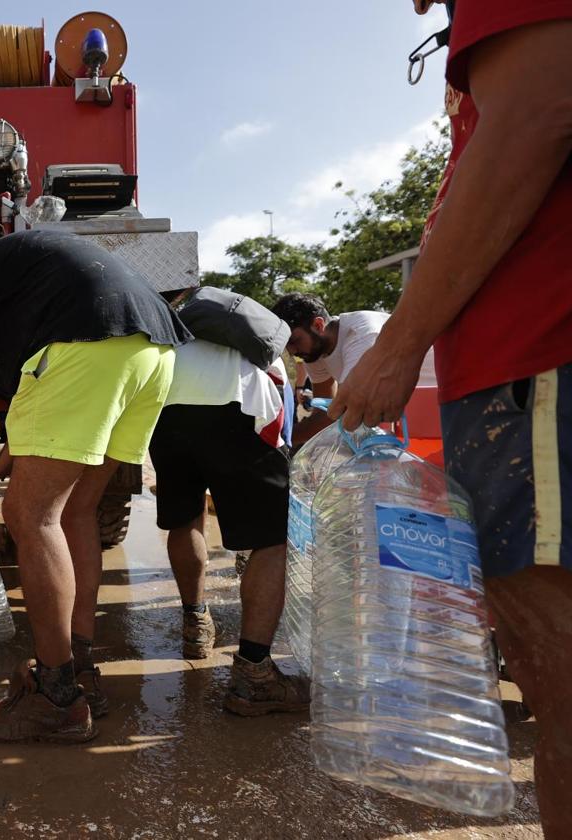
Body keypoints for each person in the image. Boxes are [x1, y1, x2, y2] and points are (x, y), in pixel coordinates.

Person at [331, 2, 572, 833]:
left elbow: (542, 110)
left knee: (559, 677)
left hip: (535, 362)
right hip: (516, 379)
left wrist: (401, 348)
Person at [0, 229, 188, 743]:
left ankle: (56, 696)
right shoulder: (27, 273)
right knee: (74, 513)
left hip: (85, 349)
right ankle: (79, 667)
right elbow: (39, 421)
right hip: (152, 352)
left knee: (30, 518)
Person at [148, 337, 308, 714]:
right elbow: (279, 424)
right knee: (274, 538)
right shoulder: (259, 343)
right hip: (237, 409)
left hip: (166, 412)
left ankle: (195, 624)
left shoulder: (176, 338)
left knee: (185, 519)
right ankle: (254, 674)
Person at [270, 293, 435, 446]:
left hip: (432, 408)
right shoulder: (314, 350)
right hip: (408, 416)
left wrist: (278, 440)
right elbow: (325, 414)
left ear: (318, 325)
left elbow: (346, 412)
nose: (292, 351)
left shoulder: (362, 335)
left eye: (294, 341)